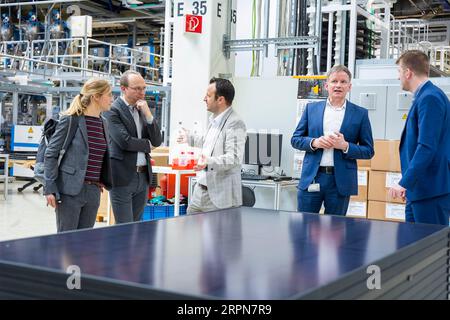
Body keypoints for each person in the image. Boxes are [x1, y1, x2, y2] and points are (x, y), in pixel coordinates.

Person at [291, 65, 374, 216]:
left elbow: (369, 151)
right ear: (326, 85)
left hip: (340, 181)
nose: (338, 85)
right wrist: (314, 143)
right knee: (304, 227)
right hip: (313, 177)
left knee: (335, 232)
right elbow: (295, 139)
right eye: (334, 81)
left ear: (349, 86)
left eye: (343, 82)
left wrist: (345, 146)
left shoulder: (360, 114)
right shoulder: (311, 109)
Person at [388, 50, 450, 226]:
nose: (398, 77)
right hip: (419, 189)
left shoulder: (430, 98)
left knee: (431, 249)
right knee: (413, 247)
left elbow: (426, 146)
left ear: (408, 72)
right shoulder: (425, 96)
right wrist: (408, 184)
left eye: (399, 72)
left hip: (431, 190)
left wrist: (405, 182)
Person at [44, 78, 113, 232]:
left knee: (83, 244)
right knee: (66, 242)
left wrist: (101, 178)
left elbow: (99, 156)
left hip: (93, 191)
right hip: (70, 190)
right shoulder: (71, 120)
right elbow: (51, 154)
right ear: (96, 96)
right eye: (109, 94)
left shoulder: (104, 123)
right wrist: (49, 188)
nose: (111, 99)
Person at [178, 77, 247, 213]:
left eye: (208, 96)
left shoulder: (235, 122)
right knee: (189, 230)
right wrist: (189, 137)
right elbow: (209, 142)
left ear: (220, 99)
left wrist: (207, 163)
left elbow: (233, 158)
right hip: (200, 191)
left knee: (218, 234)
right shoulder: (214, 120)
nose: (204, 99)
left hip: (221, 196)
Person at [104, 70, 162, 223]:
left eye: (144, 88)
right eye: (137, 88)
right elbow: (124, 141)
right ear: (123, 89)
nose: (142, 92)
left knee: (136, 226)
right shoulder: (112, 110)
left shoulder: (142, 109)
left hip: (143, 177)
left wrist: (149, 115)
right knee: (124, 227)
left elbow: (157, 141)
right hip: (122, 177)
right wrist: (147, 145)